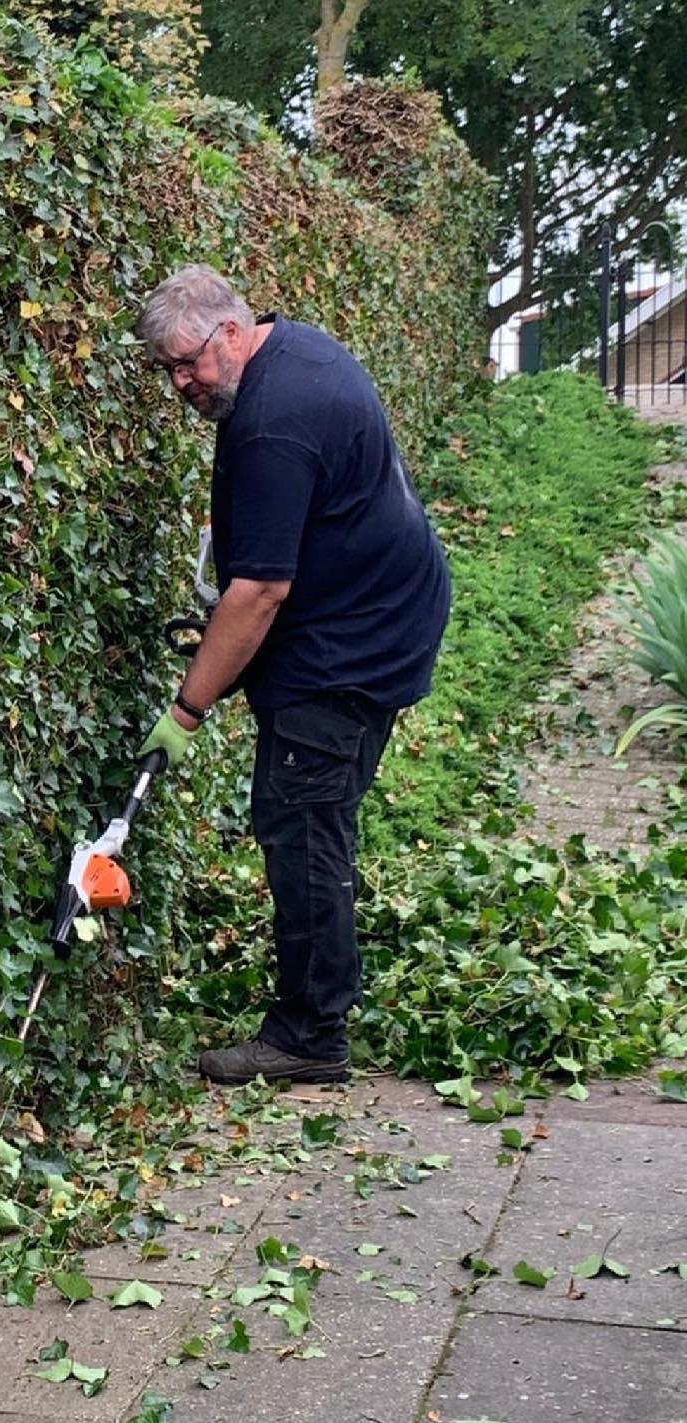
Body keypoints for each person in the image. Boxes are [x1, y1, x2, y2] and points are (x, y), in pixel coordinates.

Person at [135, 264, 451, 1085]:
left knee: (302, 818)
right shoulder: (288, 352)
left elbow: (261, 592)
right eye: (167, 369)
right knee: (311, 811)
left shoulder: (273, 421)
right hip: (378, 609)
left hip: (355, 643)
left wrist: (187, 708)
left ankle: (311, 1035)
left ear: (231, 333)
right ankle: (321, 1000)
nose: (180, 383)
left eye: (188, 363)